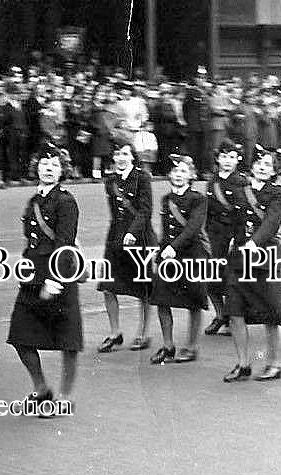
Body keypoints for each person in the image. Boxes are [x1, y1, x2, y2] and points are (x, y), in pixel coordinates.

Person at [7, 143, 81, 410]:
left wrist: (54, 279)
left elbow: (64, 242)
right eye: (44, 163)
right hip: (31, 279)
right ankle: (41, 388)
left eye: (54, 165)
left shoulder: (66, 201)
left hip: (58, 277)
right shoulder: (34, 200)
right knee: (20, 336)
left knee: (66, 340)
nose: (48, 169)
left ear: (62, 171)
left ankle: (65, 396)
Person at [222, 146, 281, 382]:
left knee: (272, 313)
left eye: (268, 165)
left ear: (273, 171)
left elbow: (271, 222)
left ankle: (275, 364)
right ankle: (243, 364)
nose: (262, 167)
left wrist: (254, 242)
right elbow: (231, 221)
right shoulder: (240, 191)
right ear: (252, 167)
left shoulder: (278, 193)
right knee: (235, 312)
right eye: (259, 163)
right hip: (239, 260)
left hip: (265, 259)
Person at [96, 138, 155, 353]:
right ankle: (115, 333)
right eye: (117, 154)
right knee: (108, 286)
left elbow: (145, 210)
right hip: (115, 238)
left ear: (132, 156)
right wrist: (119, 234)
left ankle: (143, 332)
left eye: (125, 154)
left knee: (143, 288)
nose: (121, 158)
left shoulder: (142, 178)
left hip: (139, 238)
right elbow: (115, 213)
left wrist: (132, 232)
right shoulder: (110, 181)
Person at [148, 155, 209, 364]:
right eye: (175, 171)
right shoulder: (166, 199)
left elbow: (193, 228)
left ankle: (192, 347)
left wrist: (173, 248)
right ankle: (168, 345)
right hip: (168, 256)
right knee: (161, 297)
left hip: (192, 255)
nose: (178, 175)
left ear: (191, 175)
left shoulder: (198, 199)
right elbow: (166, 230)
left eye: (183, 171)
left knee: (194, 300)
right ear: (169, 175)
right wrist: (159, 251)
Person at [204, 140, 247, 336]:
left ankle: (232, 317)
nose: (227, 161)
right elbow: (206, 211)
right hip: (214, 235)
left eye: (231, 157)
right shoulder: (212, 181)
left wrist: (238, 239)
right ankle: (220, 314)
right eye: (223, 157)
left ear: (237, 159)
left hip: (233, 236)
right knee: (210, 278)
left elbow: (244, 214)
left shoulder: (241, 182)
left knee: (231, 280)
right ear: (218, 158)